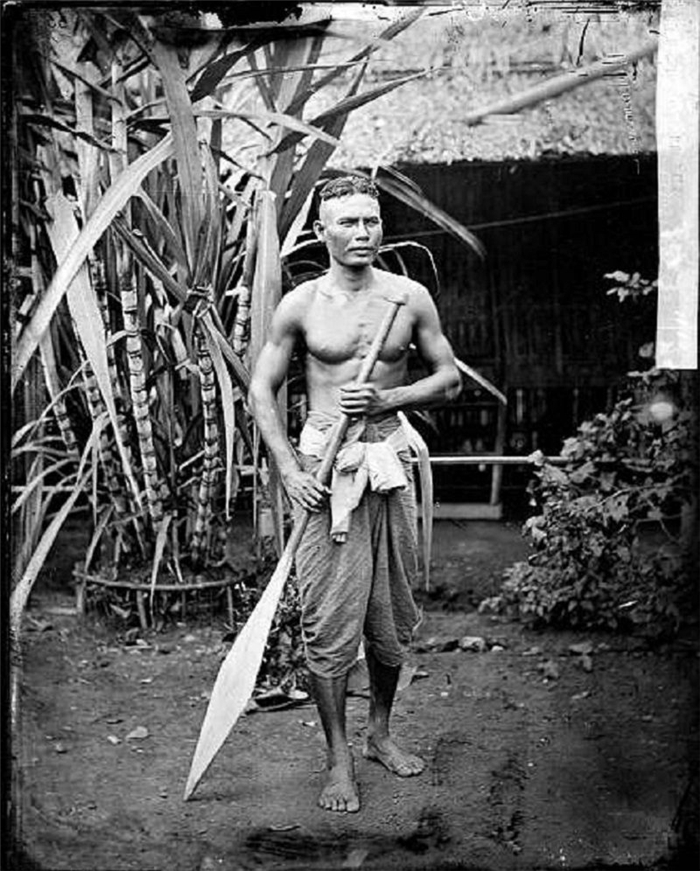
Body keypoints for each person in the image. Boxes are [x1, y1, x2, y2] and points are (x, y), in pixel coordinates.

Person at [248, 176, 461, 813]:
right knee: (331, 617)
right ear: (322, 232)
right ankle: (338, 757)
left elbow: (448, 379)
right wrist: (289, 469)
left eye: (371, 220)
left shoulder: (408, 297)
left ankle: (380, 734)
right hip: (325, 464)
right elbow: (261, 390)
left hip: (390, 458)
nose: (362, 232)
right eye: (347, 222)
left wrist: (390, 396)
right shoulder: (301, 305)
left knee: (391, 612)